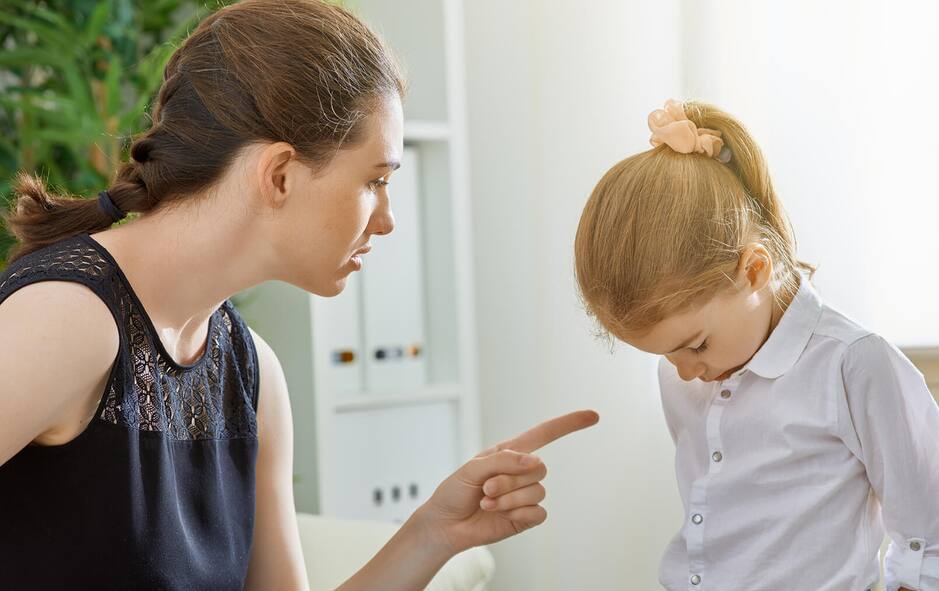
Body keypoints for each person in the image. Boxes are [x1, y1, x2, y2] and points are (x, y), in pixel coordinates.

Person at [0, 1, 598, 588]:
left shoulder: (252, 372)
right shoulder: (67, 319)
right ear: (280, 174)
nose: (387, 219)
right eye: (375, 180)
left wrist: (432, 533)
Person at [573, 98, 939, 591]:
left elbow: (931, 542)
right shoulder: (683, 377)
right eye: (665, 353)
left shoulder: (854, 365)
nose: (683, 371)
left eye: (696, 345)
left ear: (754, 270)